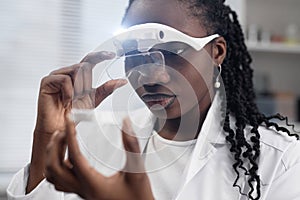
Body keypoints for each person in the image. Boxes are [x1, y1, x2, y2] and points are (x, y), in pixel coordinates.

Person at [7, 0, 300, 200]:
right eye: (134, 55)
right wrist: (47, 136)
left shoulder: (280, 160)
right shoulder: (100, 137)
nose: (151, 76)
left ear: (216, 52)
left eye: (173, 50)